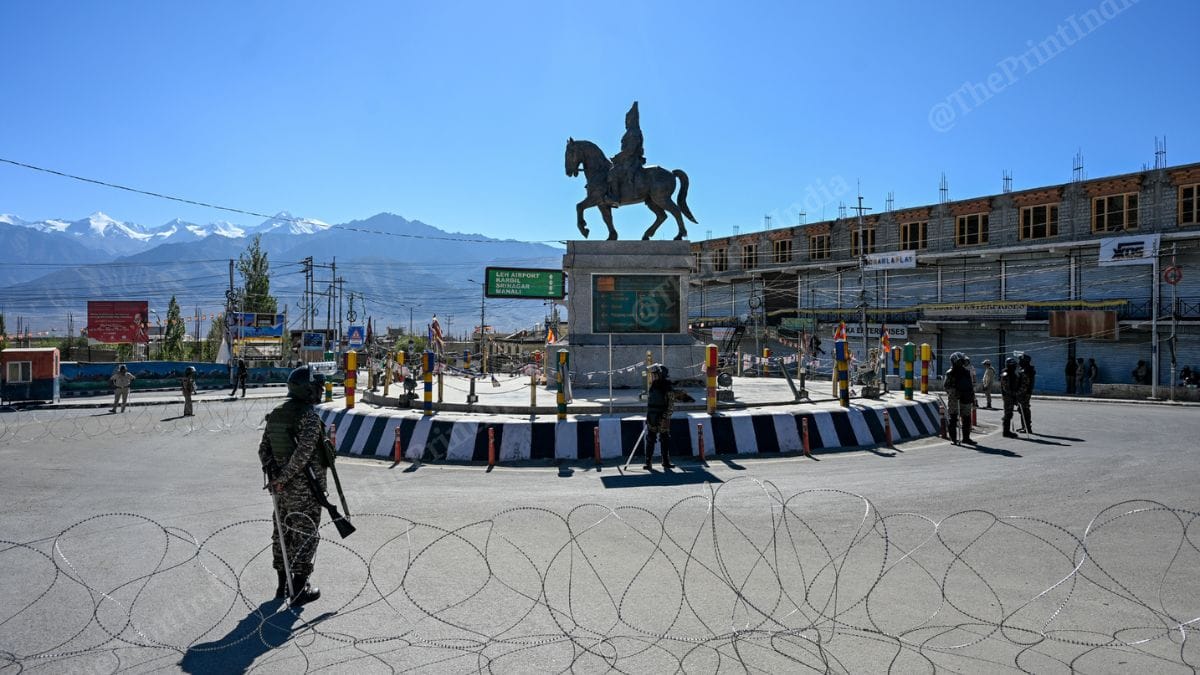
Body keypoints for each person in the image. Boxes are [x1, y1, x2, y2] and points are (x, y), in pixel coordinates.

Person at [258, 366, 329, 606]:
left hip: (281, 491)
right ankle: (299, 589)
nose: (320, 391)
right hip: (305, 490)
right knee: (304, 534)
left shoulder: (277, 413)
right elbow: (304, 454)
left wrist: (276, 478)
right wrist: (284, 478)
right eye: (317, 387)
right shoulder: (309, 417)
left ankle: (282, 585)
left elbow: (263, 450)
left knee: (282, 533)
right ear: (307, 389)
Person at [606, 101, 645, 207]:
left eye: (628, 120)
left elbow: (630, 150)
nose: (626, 122)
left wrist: (617, 157)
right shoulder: (632, 131)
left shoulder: (633, 132)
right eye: (626, 120)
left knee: (613, 173)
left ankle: (616, 198)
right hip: (627, 159)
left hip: (631, 160)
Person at [643, 364, 680, 470]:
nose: (654, 377)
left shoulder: (667, 387)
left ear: (661, 374)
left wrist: (666, 417)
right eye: (653, 375)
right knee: (650, 439)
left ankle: (666, 461)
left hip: (663, 416)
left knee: (664, 439)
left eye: (656, 374)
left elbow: (671, 404)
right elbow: (650, 402)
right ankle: (648, 462)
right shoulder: (653, 386)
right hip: (652, 416)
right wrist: (648, 416)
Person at [943, 352, 975, 444]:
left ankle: (966, 438)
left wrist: (972, 397)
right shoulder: (950, 373)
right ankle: (953, 439)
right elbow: (946, 386)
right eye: (958, 361)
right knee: (953, 418)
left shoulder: (966, 372)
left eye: (961, 361)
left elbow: (970, 385)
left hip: (966, 397)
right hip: (954, 399)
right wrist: (954, 392)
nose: (960, 363)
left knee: (967, 418)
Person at [999, 358, 1025, 438]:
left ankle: (1007, 431)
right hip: (1008, 396)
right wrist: (1013, 394)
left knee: (1010, 413)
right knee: (1008, 414)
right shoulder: (1005, 373)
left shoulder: (1013, 373)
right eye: (1013, 365)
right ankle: (1006, 432)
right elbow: (1005, 387)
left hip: (1013, 395)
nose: (1014, 367)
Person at [1017, 353, 1036, 432]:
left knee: (1024, 409)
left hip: (1024, 393)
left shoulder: (1026, 371)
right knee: (1022, 409)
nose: (1019, 362)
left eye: (1021, 360)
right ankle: (1024, 426)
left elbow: (1024, 385)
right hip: (1025, 392)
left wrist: (1018, 393)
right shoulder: (1025, 369)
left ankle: (1027, 427)